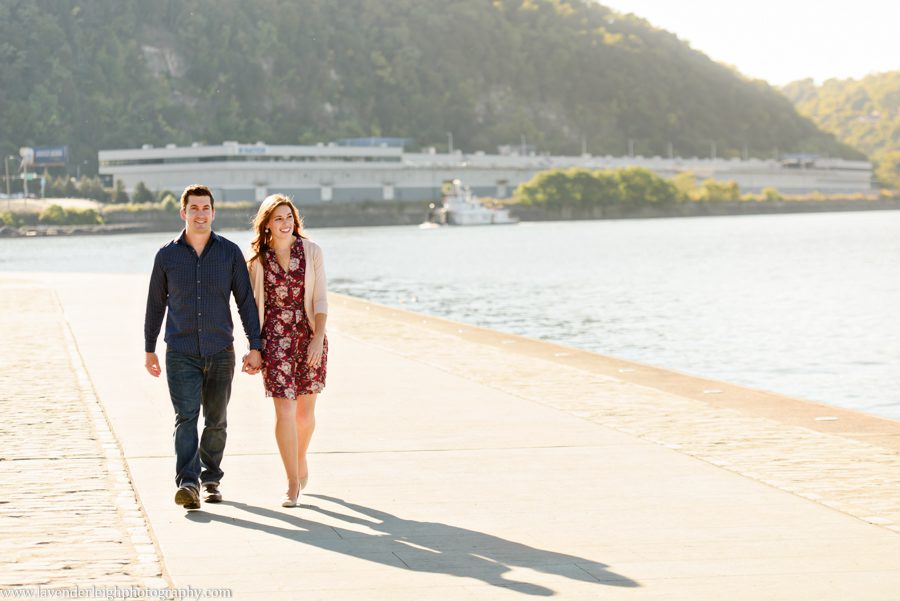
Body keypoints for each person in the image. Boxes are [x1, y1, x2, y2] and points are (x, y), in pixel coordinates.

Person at [144, 184, 262, 510]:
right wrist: (149, 347)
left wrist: (256, 345)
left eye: (205, 208)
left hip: (220, 350)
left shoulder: (229, 253)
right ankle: (188, 483)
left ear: (213, 212)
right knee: (185, 418)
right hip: (180, 351)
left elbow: (246, 303)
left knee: (216, 420)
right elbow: (155, 305)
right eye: (193, 208)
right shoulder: (167, 255)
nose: (200, 214)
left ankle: (211, 478)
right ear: (183, 212)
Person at [246, 194, 328, 507]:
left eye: (289, 217)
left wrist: (318, 337)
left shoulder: (312, 251)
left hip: (309, 336)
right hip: (275, 341)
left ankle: (300, 457)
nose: (285, 224)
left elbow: (320, 299)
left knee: (305, 414)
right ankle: (292, 481)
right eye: (278, 218)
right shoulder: (256, 260)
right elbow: (252, 309)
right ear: (266, 223)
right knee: (285, 411)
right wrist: (254, 348)